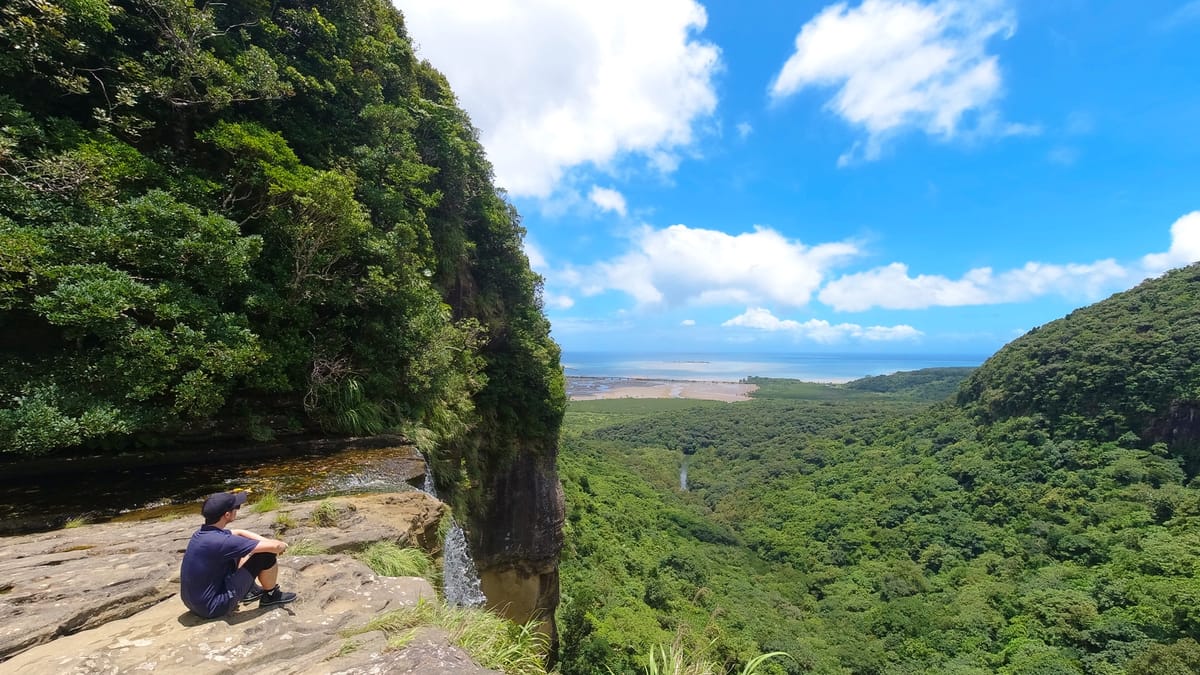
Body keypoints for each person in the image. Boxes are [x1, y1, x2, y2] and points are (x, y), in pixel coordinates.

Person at [180, 491, 298, 619]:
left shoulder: (202, 534)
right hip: (214, 607)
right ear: (227, 514)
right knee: (265, 555)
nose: (237, 509)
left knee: (238, 552)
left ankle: (249, 591)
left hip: (193, 603)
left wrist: (267, 542)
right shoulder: (223, 542)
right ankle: (271, 595)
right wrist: (281, 545)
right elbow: (275, 548)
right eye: (236, 507)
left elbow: (239, 533)